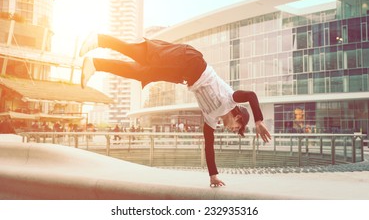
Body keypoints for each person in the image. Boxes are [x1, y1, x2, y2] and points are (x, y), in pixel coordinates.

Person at [79, 34, 271, 187]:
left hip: (184, 75)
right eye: (237, 127)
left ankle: (95, 64)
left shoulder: (212, 118)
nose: (234, 130)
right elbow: (251, 95)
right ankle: (99, 39)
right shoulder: (230, 99)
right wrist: (259, 121)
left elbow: (209, 146)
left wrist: (213, 176)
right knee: (145, 55)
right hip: (190, 60)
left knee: (142, 73)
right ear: (237, 116)